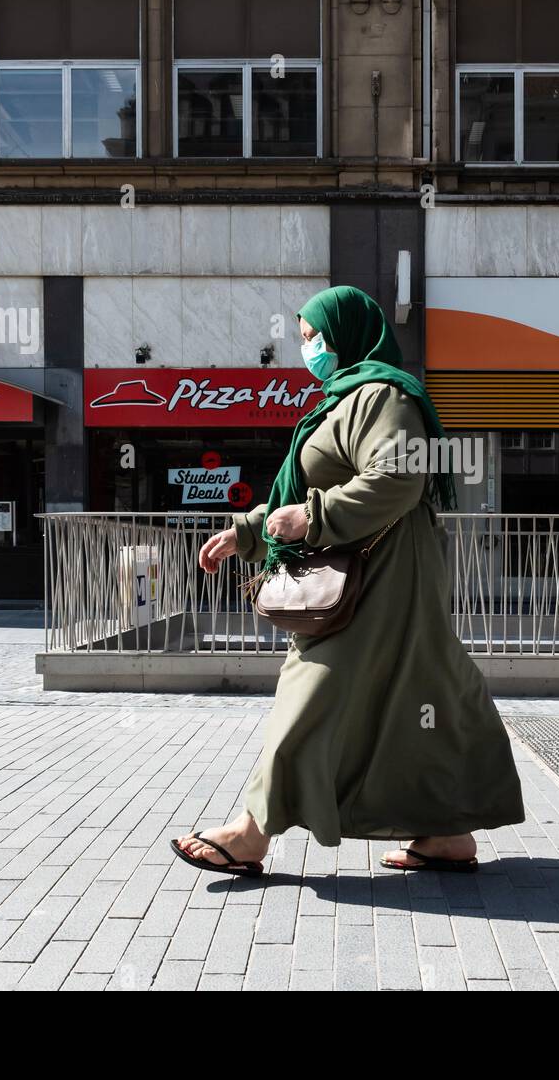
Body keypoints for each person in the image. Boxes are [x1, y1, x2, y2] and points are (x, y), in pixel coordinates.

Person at [172, 285, 525, 875]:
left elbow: (399, 478)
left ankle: (251, 834)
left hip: (382, 580)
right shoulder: (344, 398)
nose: (307, 348)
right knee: (422, 693)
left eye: (315, 336)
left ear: (347, 333)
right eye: (303, 337)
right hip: (370, 574)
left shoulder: (385, 396)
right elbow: (306, 492)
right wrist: (250, 532)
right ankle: (446, 835)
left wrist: (312, 518)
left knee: (313, 688)